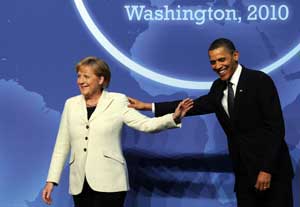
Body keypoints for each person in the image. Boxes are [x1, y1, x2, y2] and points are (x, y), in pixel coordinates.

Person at [128, 38, 294, 207]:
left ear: (235, 56)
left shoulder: (259, 81)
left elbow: (276, 129)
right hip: (244, 174)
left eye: (222, 59)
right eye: (213, 62)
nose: (217, 66)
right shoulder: (218, 87)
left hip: (272, 173)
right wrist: (148, 106)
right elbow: (194, 106)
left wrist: (266, 169)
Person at [41, 56, 193, 207]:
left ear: (101, 80)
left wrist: (173, 117)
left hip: (110, 182)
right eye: (79, 76)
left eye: (86, 76)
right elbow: (62, 145)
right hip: (80, 183)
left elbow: (146, 125)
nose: (80, 81)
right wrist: (51, 181)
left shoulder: (117, 101)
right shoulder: (71, 104)